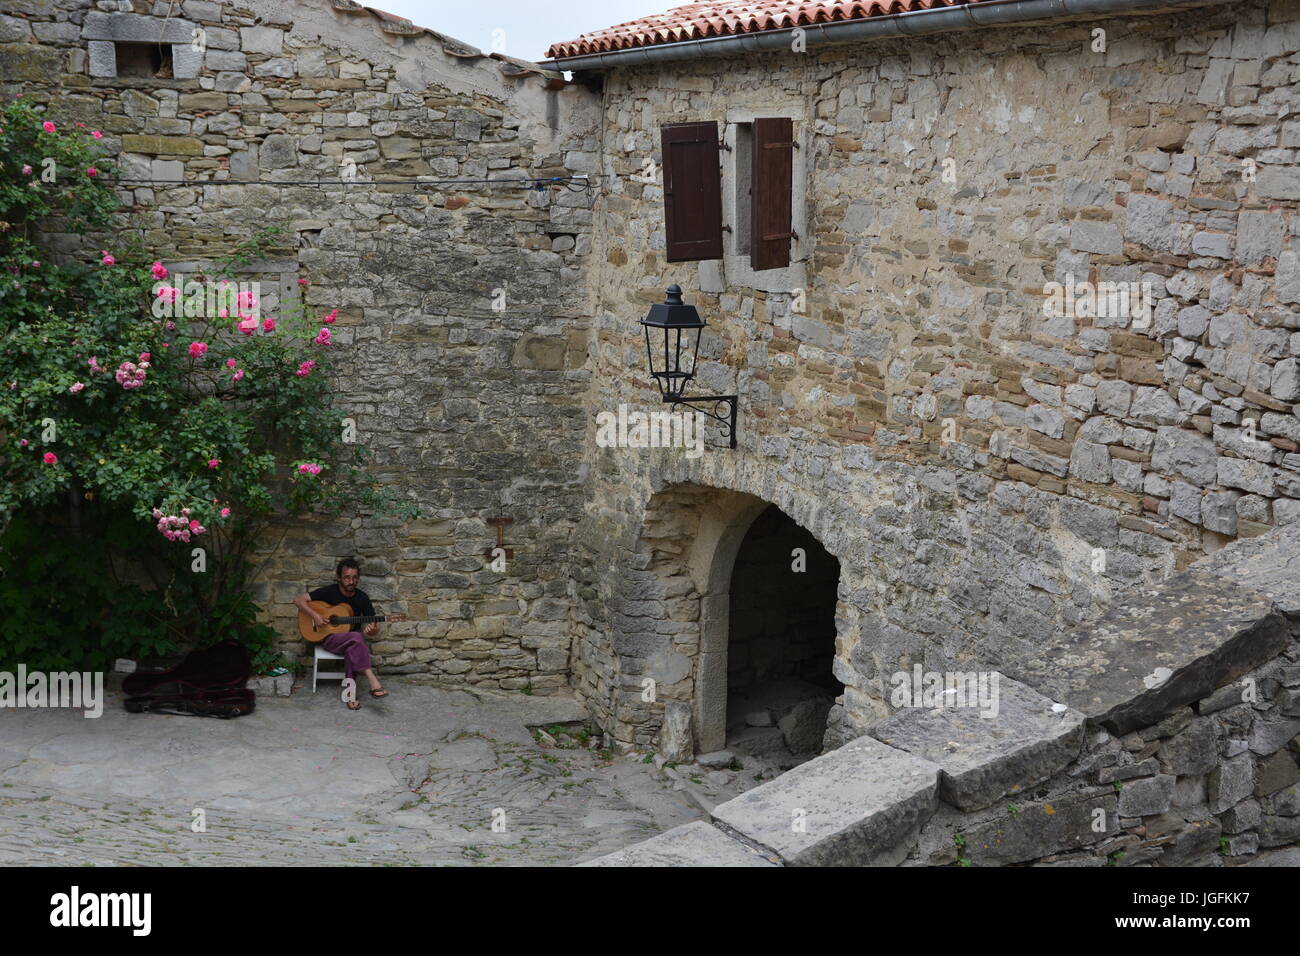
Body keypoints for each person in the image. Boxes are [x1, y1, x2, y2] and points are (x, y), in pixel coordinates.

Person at [293, 556, 388, 709]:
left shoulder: (362, 598)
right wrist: (315, 616)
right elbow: (298, 600)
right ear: (339, 578)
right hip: (330, 639)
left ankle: (350, 695)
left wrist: (373, 630)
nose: (351, 581)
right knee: (357, 638)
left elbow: (373, 628)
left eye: (355, 577)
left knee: (355, 642)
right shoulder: (329, 592)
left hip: (353, 642)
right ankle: (372, 679)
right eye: (347, 577)